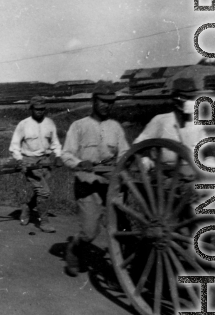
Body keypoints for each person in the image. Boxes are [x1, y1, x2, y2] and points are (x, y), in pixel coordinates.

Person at [60, 81, 130, 277]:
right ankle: (74, 250)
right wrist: (80, 163)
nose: (106, 105)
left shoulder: (115, 127)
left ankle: (123, 270)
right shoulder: (79, 126)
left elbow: (125, 152)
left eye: (110, 102)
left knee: (121, 228)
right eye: (102, 101)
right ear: (93, 101)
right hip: (87, 182)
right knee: (90, 232)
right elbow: (66, 155)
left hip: (111, 182)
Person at [9, 96, 62, 233]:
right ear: (31, 109)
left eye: (42, 109)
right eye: (37, 109)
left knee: (40, 192)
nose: (40, 112)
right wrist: (20, 160)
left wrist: (58, 155)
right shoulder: (23, 124)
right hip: (29, 161)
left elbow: (55, 142)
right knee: (44, 192)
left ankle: (27, 207)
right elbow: (14, 145)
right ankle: (44, 222)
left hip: (45, 161)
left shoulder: (50, 123)